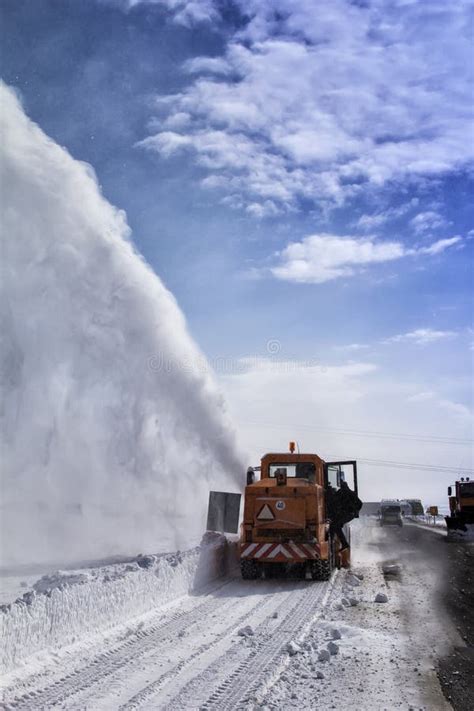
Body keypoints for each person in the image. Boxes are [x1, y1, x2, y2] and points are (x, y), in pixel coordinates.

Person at [326, 481, 362, 550]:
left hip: (347, 514)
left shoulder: (342, 493)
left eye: (341, 485)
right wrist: (355, 511)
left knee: (335, 525)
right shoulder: (350, 493)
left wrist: (352, 510)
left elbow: (333, 500)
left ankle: (343, 544)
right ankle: (338, 543)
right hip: (349, 514)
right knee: (335, 525)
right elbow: (360, 503)